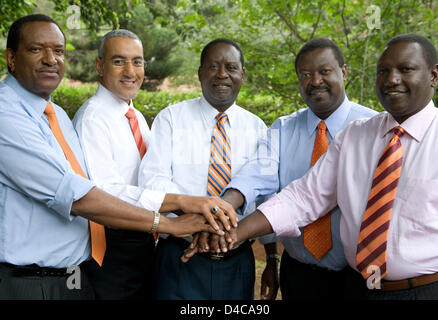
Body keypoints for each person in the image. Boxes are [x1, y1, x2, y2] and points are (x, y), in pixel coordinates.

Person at [192, 34, 438, 300]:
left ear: (433, 75)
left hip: (430, 289)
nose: (392, 79)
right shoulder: (355, 136)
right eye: (383, 71)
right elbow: (303, 198)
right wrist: (233, 232)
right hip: (357, 287)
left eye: (405, 69)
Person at [0, 14, 235, 300]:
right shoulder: (83, 117)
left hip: (84, 269)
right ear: (11, 58)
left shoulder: (63, 116)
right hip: (74, 263)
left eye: (137, 62)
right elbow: (84, 194)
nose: (51, 59)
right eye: (37, 49)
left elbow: (153, 177)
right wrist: (177, 213)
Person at [213, 38, 377, 300]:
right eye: (305, 74)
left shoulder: (373, 127)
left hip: (357, 275)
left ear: (343, 72)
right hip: (299, 273)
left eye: (324, 72)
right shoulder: (283, 128)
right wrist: (220, 207)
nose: (315, 81)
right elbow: (256, 174)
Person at [138, 38, 267, 300]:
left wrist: (272, 256)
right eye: (212, 67)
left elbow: (265, 194)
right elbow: (153, 180)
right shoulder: (171, 118)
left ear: (242, 75)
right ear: (199, 73)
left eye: (230, 67)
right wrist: (200, 219)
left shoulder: (258, 128)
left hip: (237, 261)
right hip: (179, 257)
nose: (222, 75)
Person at [72, 30, 160, 299]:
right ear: (100, 66)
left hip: (143, 240)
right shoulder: (93, 118)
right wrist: (172, 201)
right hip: (113, 247)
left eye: (138, 61)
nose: (130, 71)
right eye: (119, 61)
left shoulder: (135, 116)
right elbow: (106, 192)